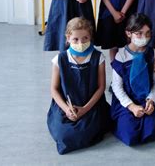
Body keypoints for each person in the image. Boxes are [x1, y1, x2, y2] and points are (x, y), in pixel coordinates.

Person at [47, 17, 110, 154]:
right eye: (75, 39)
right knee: (62, 133)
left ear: (90, 38)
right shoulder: (60, 59)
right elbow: (54, 89)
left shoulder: (98, 57)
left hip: (91, 105)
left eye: (85, 38)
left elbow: (101, 88)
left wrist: (85, 109)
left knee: (87, 131)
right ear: (68, 38)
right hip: (65, 105)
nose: (81, 42)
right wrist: (66, 109)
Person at [110, 13, 155, 145]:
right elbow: (117, 87)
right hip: (127, 101)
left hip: (146, 98)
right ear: (129, 33)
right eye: (139, 33)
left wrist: (151, 99)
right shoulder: (121, 56)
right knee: (130, 134)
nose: (144, 38)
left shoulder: (153, 54)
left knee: (151, 130)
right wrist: (131, 106)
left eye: (148, 33)